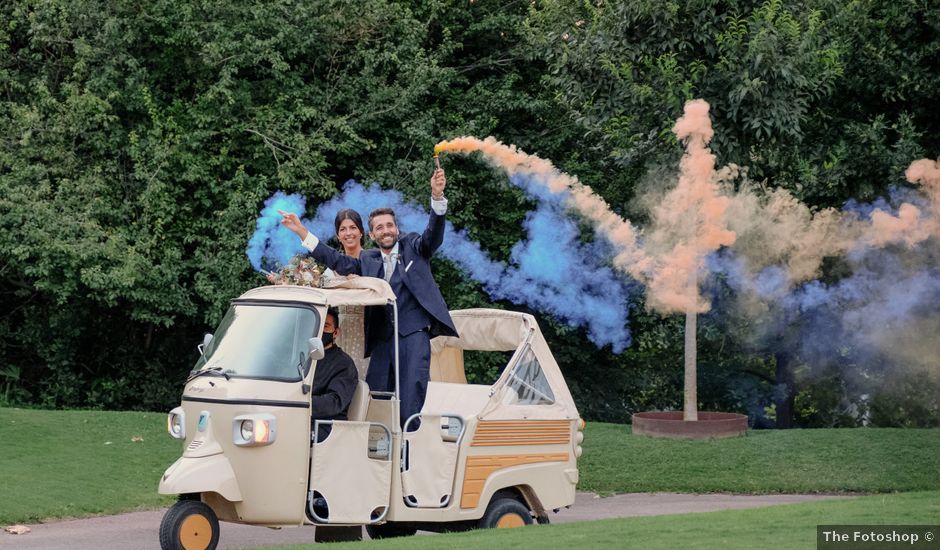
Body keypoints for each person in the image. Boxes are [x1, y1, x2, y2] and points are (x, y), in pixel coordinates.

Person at [279, 167, 458, 427]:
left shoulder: (415, 246)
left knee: (410, 397)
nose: (386, 230)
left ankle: (408, 454)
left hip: (413, 334)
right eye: (379, 227)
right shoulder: (367, 259)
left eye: (389, 225)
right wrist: (301, 232)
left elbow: (433, 235)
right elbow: (336, 260)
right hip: (382, 337)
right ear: (372, 235)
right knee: (374, 396)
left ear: (397, 229)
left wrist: (437, 197)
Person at [310, 307, 358, 441]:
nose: (319, 331)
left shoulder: (343, 364)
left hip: (325, 427)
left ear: (336, 333)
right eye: (316, 326)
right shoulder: (302, 357)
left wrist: (302, 404)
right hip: (299, 419)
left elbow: (335, 402)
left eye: (325, 327)